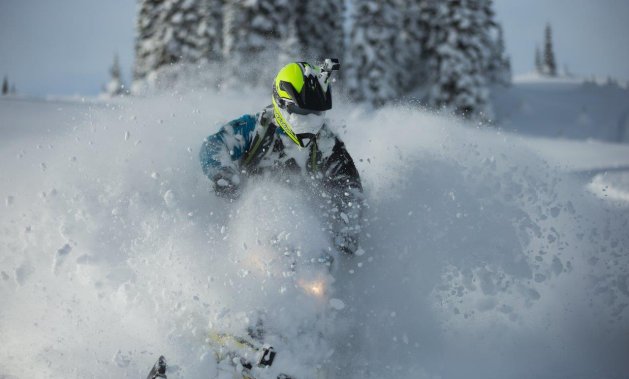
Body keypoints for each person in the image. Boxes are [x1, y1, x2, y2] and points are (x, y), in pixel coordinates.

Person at [199, 60, 363, 255]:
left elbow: (348, 184)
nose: (311, 122)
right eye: (302, 113)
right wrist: (223, 173)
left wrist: (347, 229)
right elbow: (214, 144)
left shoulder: (326, 143)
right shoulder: (254, 129)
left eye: (317, 113)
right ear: (282, 105)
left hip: (307, 242)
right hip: (244, 232)